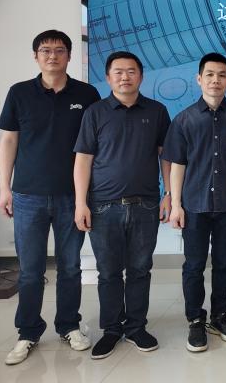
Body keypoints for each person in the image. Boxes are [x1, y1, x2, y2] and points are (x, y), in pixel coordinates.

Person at [0, 30, 101, 365]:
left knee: (70, 266)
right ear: (36, 56)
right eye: (45, 50)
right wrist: (4, 187)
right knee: (30, 270)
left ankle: (69, 325)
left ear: (70, 55)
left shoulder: (86, 94)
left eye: (59, 50)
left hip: (72, 196)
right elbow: (9, 141)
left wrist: (87, 196)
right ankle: (27, 331)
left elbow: (95, 145)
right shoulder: (19, 93)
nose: (52, 56)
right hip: (28, 195)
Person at [73, 51, 171, 360]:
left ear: (141, 76)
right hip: (103, 206)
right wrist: (80, 203)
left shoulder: (156, 111)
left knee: (140, 269)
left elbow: (166, 156)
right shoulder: (95, 113)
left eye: (131, 71)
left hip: (145, 205)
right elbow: (83, 160)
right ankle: (112, 329)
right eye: (118, 72)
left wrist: (169, 194)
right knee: (108, 271)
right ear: (108, 77)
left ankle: (136, 327)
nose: (125, 77)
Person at [164, 53, 226, 353]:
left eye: (221, 75)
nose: (215, 80)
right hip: (194, 205)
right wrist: (176, 204)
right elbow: (177, 164)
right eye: (209, 74)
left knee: (224, 263)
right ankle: (195, 320)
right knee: (194, 265)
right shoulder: (184, 119)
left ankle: (220, 316)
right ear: (199, 79)